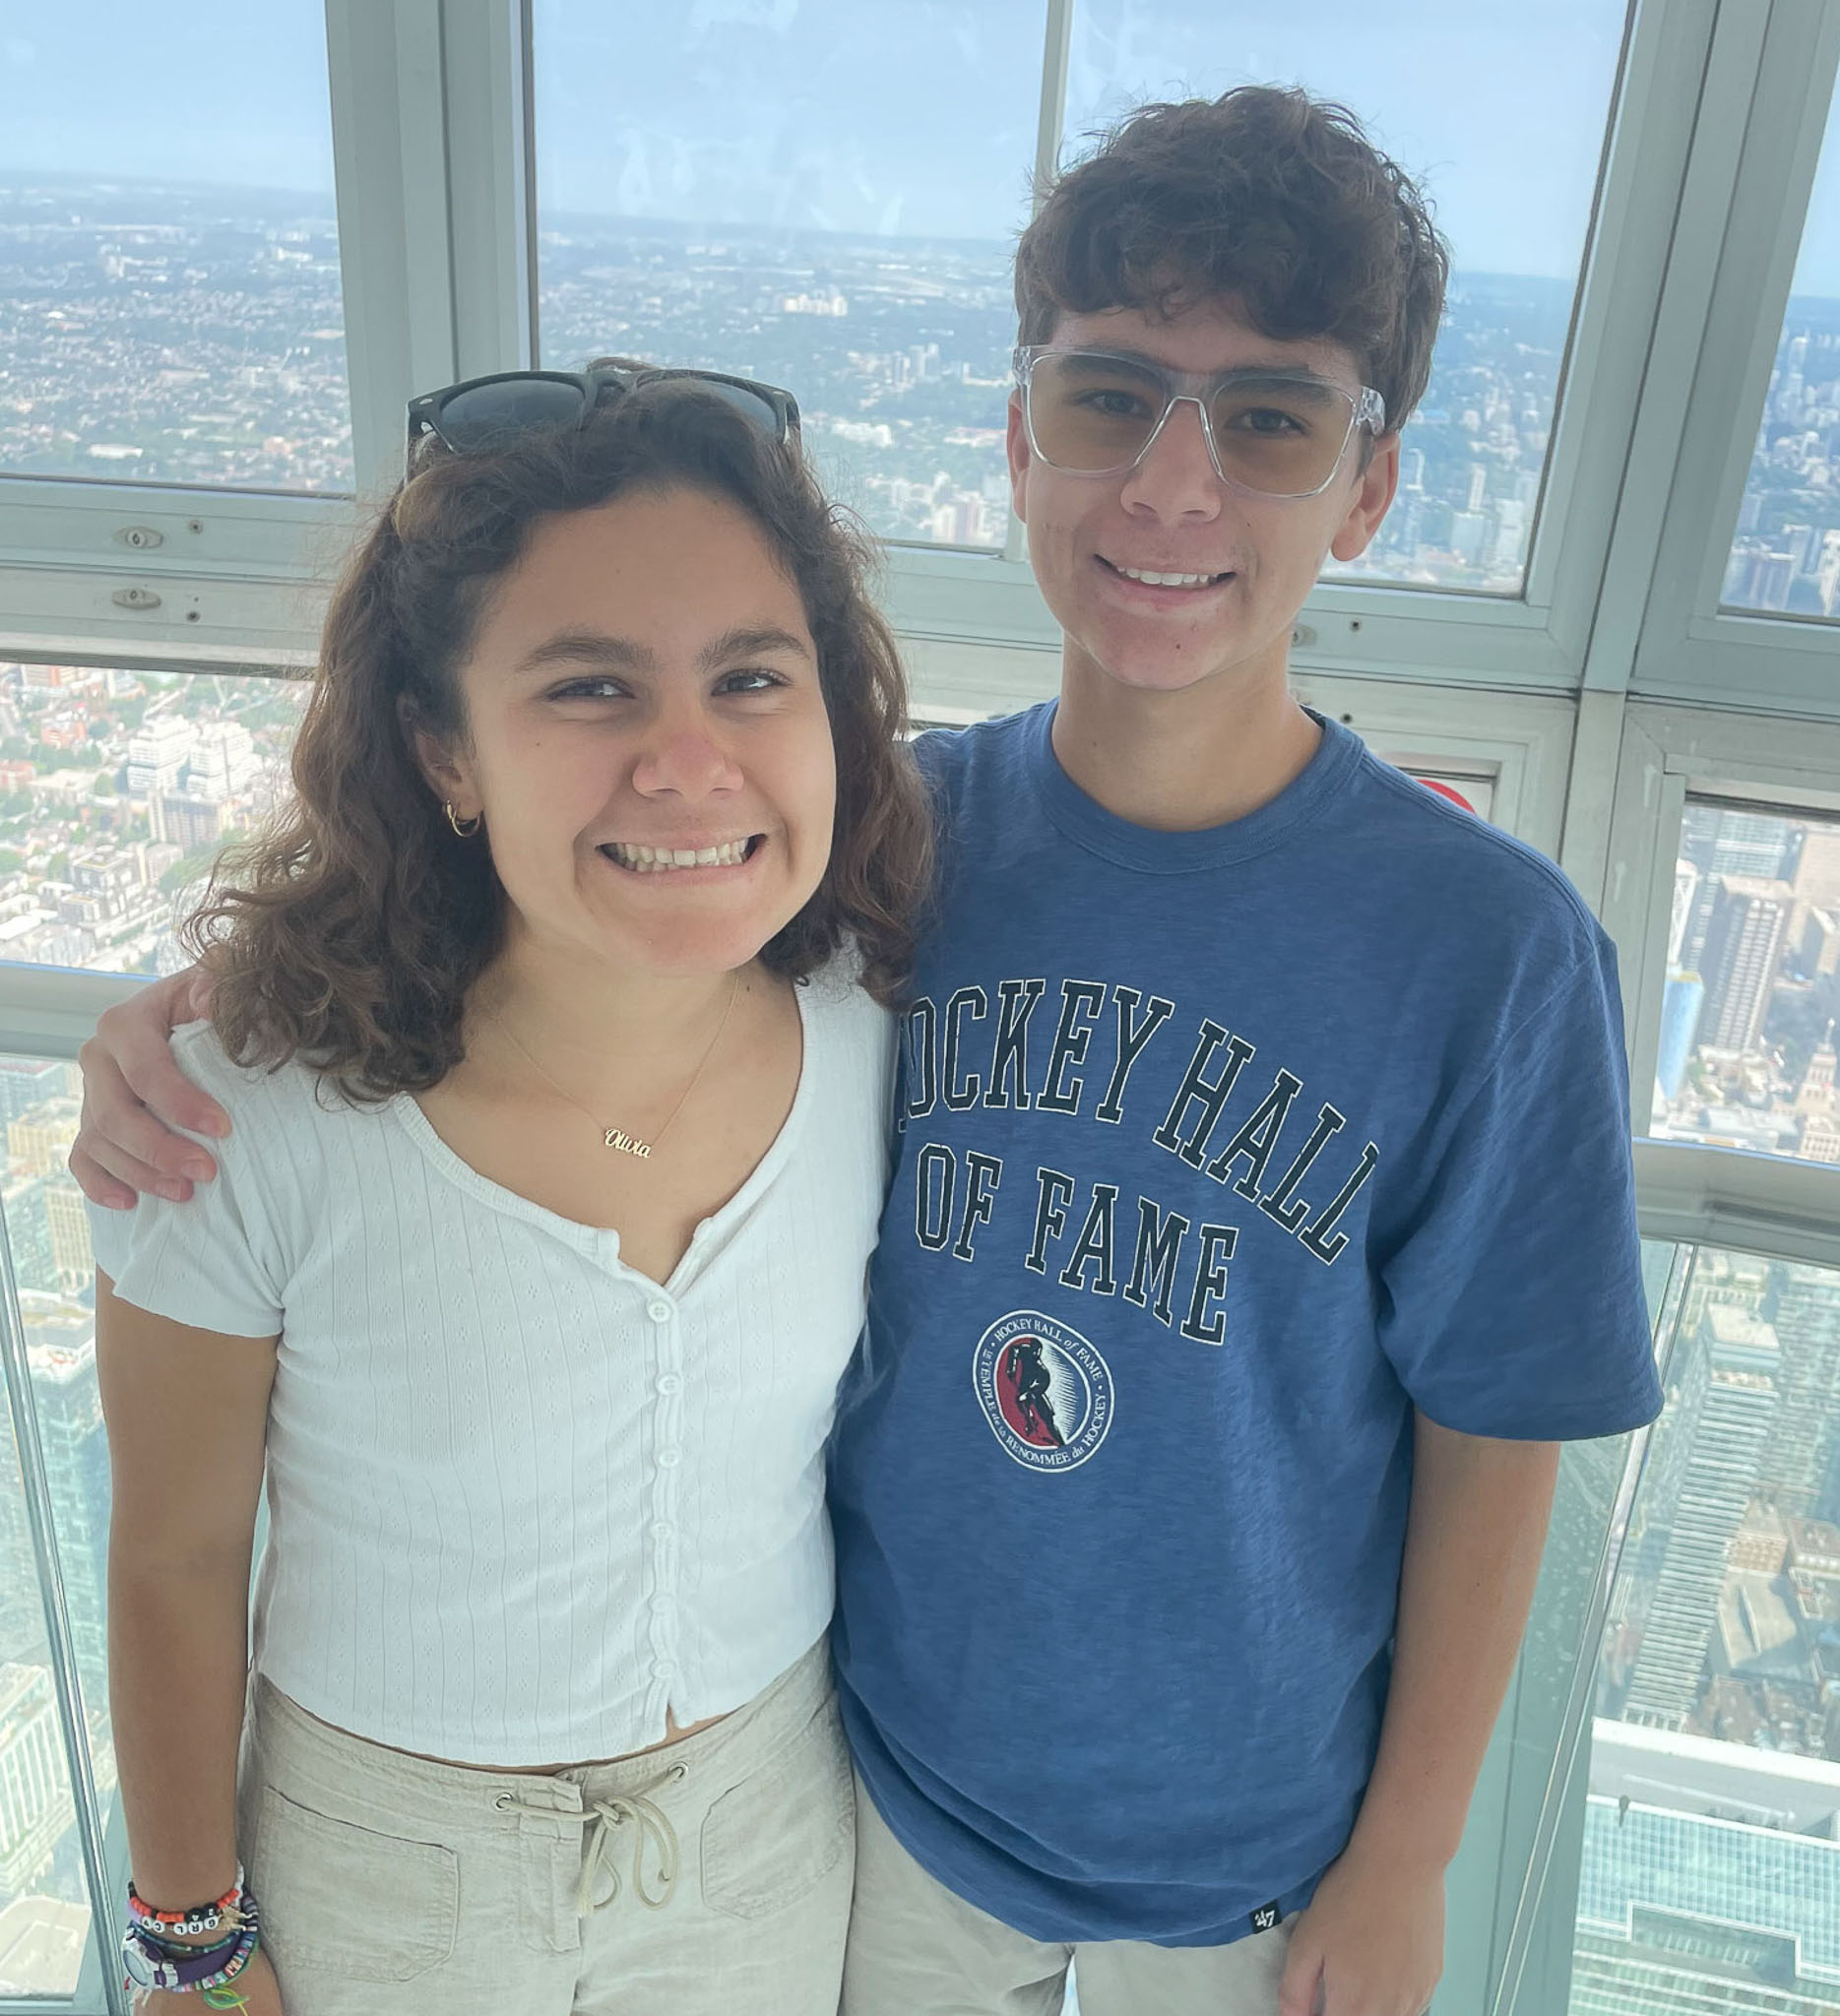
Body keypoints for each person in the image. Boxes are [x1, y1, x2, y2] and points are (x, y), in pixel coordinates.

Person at [75, 88, 1664, 2016]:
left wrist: (1409, 1855)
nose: (1173, 483)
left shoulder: (1487, 954)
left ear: (1369, 487)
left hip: (1248, 1873)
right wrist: (177, 1025)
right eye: (1106, 399)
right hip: (879, 1817)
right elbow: (541, 922)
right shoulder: (871, 854)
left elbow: (1501, 1432)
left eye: (1267, 419)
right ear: (1017, 442)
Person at [82, 364, 928, 2014]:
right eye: (590, 689)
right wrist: (193, 1943)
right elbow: (175, 1558)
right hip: (382, 1880)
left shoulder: (884, 1038)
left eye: (752, 676)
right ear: (441, 753)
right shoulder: (247, 1115)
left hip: (768, 1837)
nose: (690, 764)